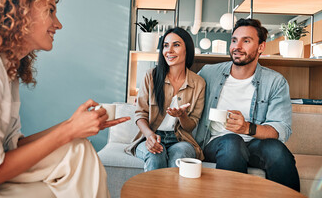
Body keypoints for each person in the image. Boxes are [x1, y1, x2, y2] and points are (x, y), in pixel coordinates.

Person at [0, 0, 129, 198]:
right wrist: (70, 130)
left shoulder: (7, 69)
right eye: (50, 10)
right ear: (20, 9)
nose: (58, 23)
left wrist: (72, 125)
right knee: (75, 154)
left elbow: (14, 147)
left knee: (78, 148)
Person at [195, 18, 300, 191]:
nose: (237, 46)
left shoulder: (275, 82)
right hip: (215, 143)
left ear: (261, 47)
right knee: (232, 142)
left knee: (277, 150)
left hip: (254, 145)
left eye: (246, 41)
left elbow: (281, 128)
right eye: (234, 40)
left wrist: (246, 128)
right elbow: (185, 90)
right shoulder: (209, 73)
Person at [125, 27, 205, 171]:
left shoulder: (198, 83)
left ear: (187, 49)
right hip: (152, 135)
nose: (169, 50)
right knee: (156, 155)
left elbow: (191, 125)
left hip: (181, 140)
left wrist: (182, 116)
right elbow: (140, 114)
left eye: (176, 45)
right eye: (165, 46)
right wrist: (149, 136)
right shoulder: (151, 76)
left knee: (180, 156)